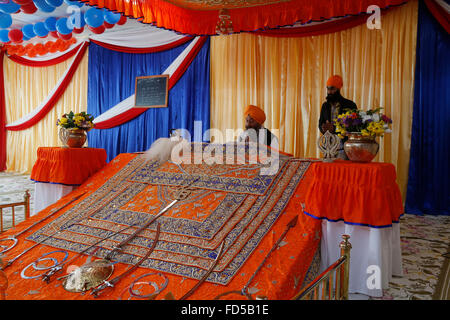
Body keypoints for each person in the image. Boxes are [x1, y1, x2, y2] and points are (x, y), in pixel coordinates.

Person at [319, 75, 357, 159]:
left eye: (332, 89)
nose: (329, 92)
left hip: (344, 149)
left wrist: (334, 128)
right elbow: (320, 123)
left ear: (338, 89)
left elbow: (354, 126)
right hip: (328, 148)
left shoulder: (350, 105)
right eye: (328, 89)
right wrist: (323, 128)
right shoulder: (325, 106)